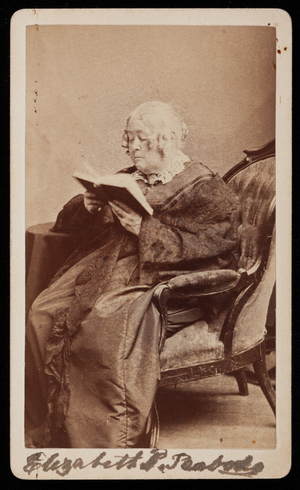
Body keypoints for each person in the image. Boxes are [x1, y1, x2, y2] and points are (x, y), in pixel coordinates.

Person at [25, 101, 240, 449]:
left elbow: (218, 243)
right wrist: (88, 205)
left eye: (139, 139)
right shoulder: (134, 176)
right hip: (110, 267)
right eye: (128, 138)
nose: (130, 147)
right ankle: (53, 422)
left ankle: (99, 438)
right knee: (42, 310)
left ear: (165, 141)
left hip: (163, 278)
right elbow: (74, 222)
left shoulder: (204, 186)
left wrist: (145, 229)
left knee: (97, 325)